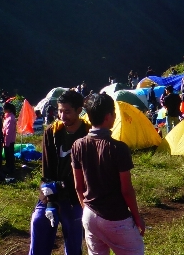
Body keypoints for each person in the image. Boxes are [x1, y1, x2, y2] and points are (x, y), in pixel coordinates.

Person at [72, 93, 145, 255]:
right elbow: (126, 190)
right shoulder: (118, 148)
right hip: (115, 217)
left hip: (89, 214)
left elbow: (78, 186)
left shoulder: (78, 145)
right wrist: (137, 217)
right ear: (108, 116)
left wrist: (87, 209)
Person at [30, 89, 89, 255]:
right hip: (52, 192)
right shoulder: (52, 132)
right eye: (60, 111)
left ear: (79, 110)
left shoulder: (87, 133)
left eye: (67, 111)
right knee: (39, 221)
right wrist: (50, 201)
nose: (62, 116)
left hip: (76, 196)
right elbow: (47, 170)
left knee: (74, 230)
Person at [2, 102, 17, 176]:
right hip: (7, 140)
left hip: (9, 141)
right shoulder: (7, 117)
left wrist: (6, 143)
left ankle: (10, 169)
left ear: (8, 109)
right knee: (8, 155)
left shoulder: (10, 118)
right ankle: (9, 167)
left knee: (9, 155)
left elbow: (9, 132)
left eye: (4, 109)